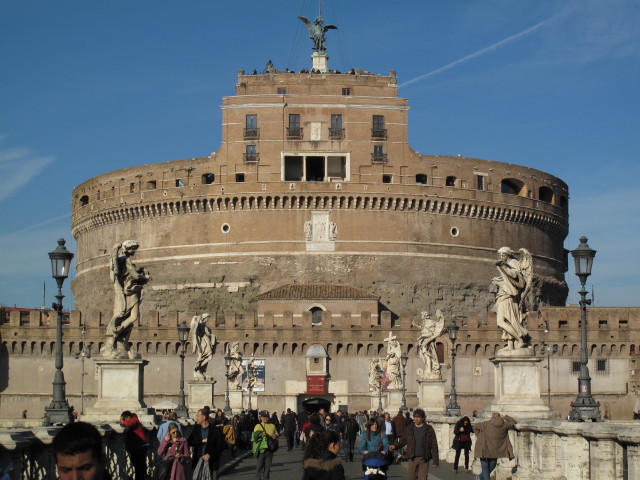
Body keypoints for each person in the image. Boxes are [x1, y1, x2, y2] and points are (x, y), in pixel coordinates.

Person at [389, 408, 439, 479]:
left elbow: (434, 445)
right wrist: (395, 446)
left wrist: (435, 461)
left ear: (423, 418)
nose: (416, 419)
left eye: (418, 417)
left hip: (424, 458)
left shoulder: (428, 429)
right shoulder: (409, 428)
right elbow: (403, 440)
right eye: (415, 417)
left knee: (423, 478)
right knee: (412, 478)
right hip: (412, 458)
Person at [473, 412, 516, 480]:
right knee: (493, 464)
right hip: (495, 449)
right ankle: (481, 476)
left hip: (484, 447)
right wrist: (505, 416)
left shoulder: (486, 424)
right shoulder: (505, 425)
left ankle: (481, 476)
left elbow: (475, 426)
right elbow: (513, 422)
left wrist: (479, 436)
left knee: (485, 466)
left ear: (492, 417)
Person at [188, 408, 226, 480]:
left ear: (204, 417)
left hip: (212, 462)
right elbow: (189, 442)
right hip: (198, 461)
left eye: (198, 416)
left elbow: (221, 446)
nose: (196, 418)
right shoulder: (196, 428)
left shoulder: (215, 429)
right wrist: (201, 441)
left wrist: (210, 454)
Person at [120, 410, 148, 480]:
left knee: (139, 466)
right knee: (138, 466)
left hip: (140, 446)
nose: (124, 420)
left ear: (128, 417)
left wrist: (122, 421)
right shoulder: (134, 419)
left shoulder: (134, 420)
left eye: (124, 418)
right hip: (138, 446)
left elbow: (128, 424)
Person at [253, 411, 278, 480]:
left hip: (270, 449)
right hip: (261, 450)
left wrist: (275, 435)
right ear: (261, 418)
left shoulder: (272, 425)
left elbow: (276, 433)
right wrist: (260, 434)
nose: (265, 419)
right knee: (259, 467)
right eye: (264, 417)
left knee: (268, 468)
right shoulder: (257, 426)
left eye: (267, 417)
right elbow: (254, 437)